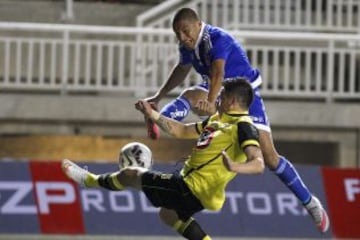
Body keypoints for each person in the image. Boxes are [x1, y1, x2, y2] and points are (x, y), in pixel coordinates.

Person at [143, 7, 330, 233]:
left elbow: (218, 73)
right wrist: (158, 96)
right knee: (190, 96)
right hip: (219, 91)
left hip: (243, 95)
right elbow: (182, 70)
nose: (183, 38)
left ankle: (310, 202)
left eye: (185, 31)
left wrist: (211, 102)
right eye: (177, 34)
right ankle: (156, 117)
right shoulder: (187, 45)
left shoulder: (216, 39)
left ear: (198, 23)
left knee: (270, 158)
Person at [62, 78, 265, 240]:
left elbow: (258, 163)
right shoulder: (217, 121)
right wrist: (152, 114)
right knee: (168, 215)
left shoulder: (243, 127)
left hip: (190, 188)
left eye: (220, 97)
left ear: (232, 101)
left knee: (131, 174)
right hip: (194, 188)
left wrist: (236, 165)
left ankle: (89, 180)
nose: (216, 101)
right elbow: (182, 130)